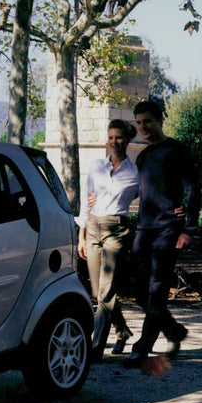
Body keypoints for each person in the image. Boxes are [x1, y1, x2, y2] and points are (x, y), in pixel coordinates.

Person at [123, 100, 200, 369]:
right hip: (144, 229)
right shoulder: (143, 156)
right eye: (139, 123)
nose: (143, 127)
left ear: (160, 120)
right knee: (136, 287)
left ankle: (141, 348)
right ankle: (173, 330)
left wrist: (188, 228)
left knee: (157, 289)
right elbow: (138, 190)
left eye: (147, 121)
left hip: (169, 228)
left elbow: (193, 189)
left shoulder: (178, 150)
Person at [77, 119, 139, 363]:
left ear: (127, 140)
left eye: (119, 137)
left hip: (117, 229)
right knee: (98, 291)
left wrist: (176, 209)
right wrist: (82, 235)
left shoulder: (135, 173)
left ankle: (96, 348)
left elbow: (152, 198)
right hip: (93, 227)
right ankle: (122, 330)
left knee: (106, 291)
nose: (114, 142)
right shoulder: (97, 167)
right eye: (111, 137)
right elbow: (86, 200)